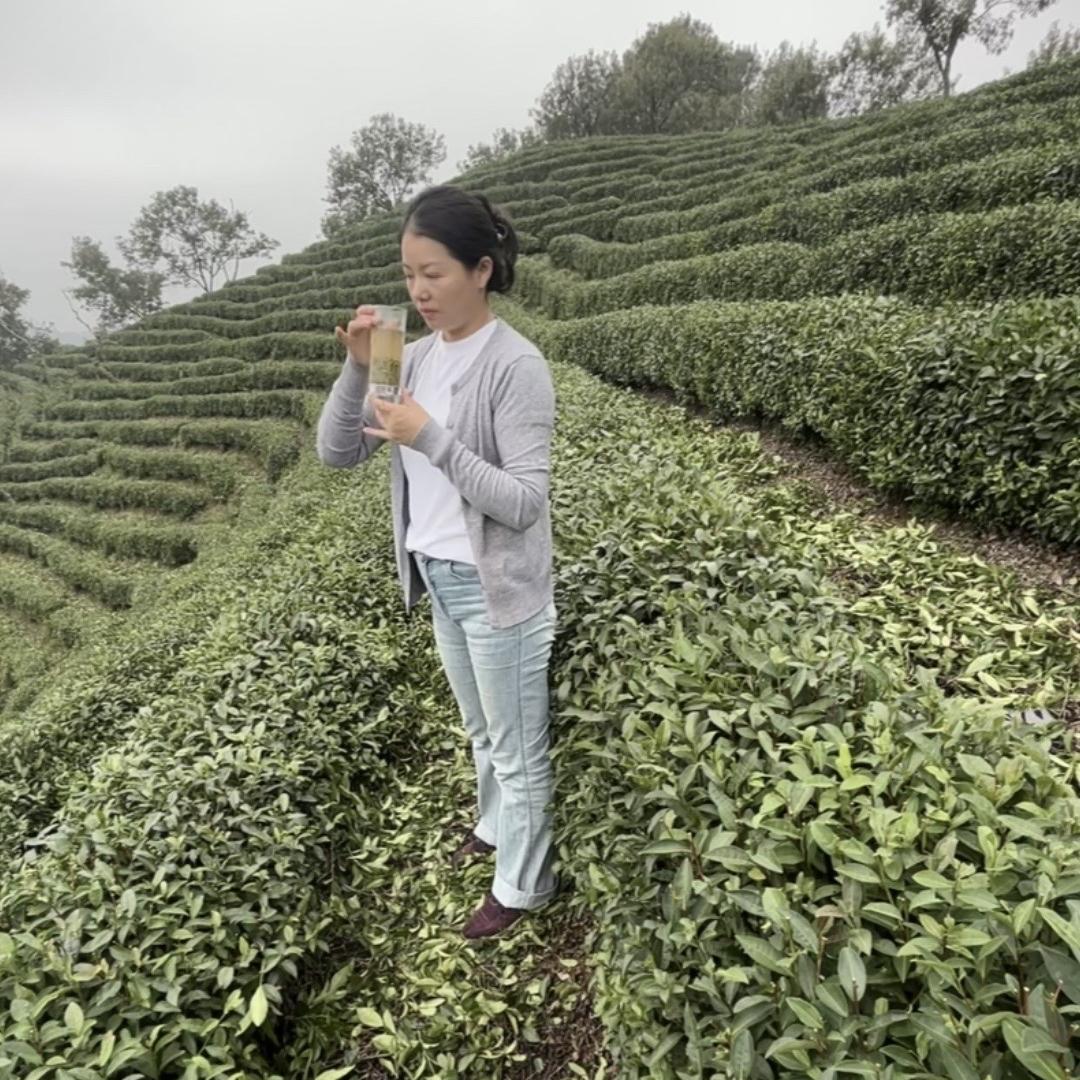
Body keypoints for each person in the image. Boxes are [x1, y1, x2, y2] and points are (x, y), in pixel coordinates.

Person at [315, 184, 559, 941]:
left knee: (518, 750)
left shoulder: (516, 367)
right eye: (409, 274)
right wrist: (359, 367)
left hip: (499, 589)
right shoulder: (409, 357)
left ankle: (524, 885)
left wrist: (431, 439)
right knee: (480, 731)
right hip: (440, 576)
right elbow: (337, 452)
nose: (418, 291)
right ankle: (495, 829)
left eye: (435, 273)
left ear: (481, 270)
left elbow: (523, 501)